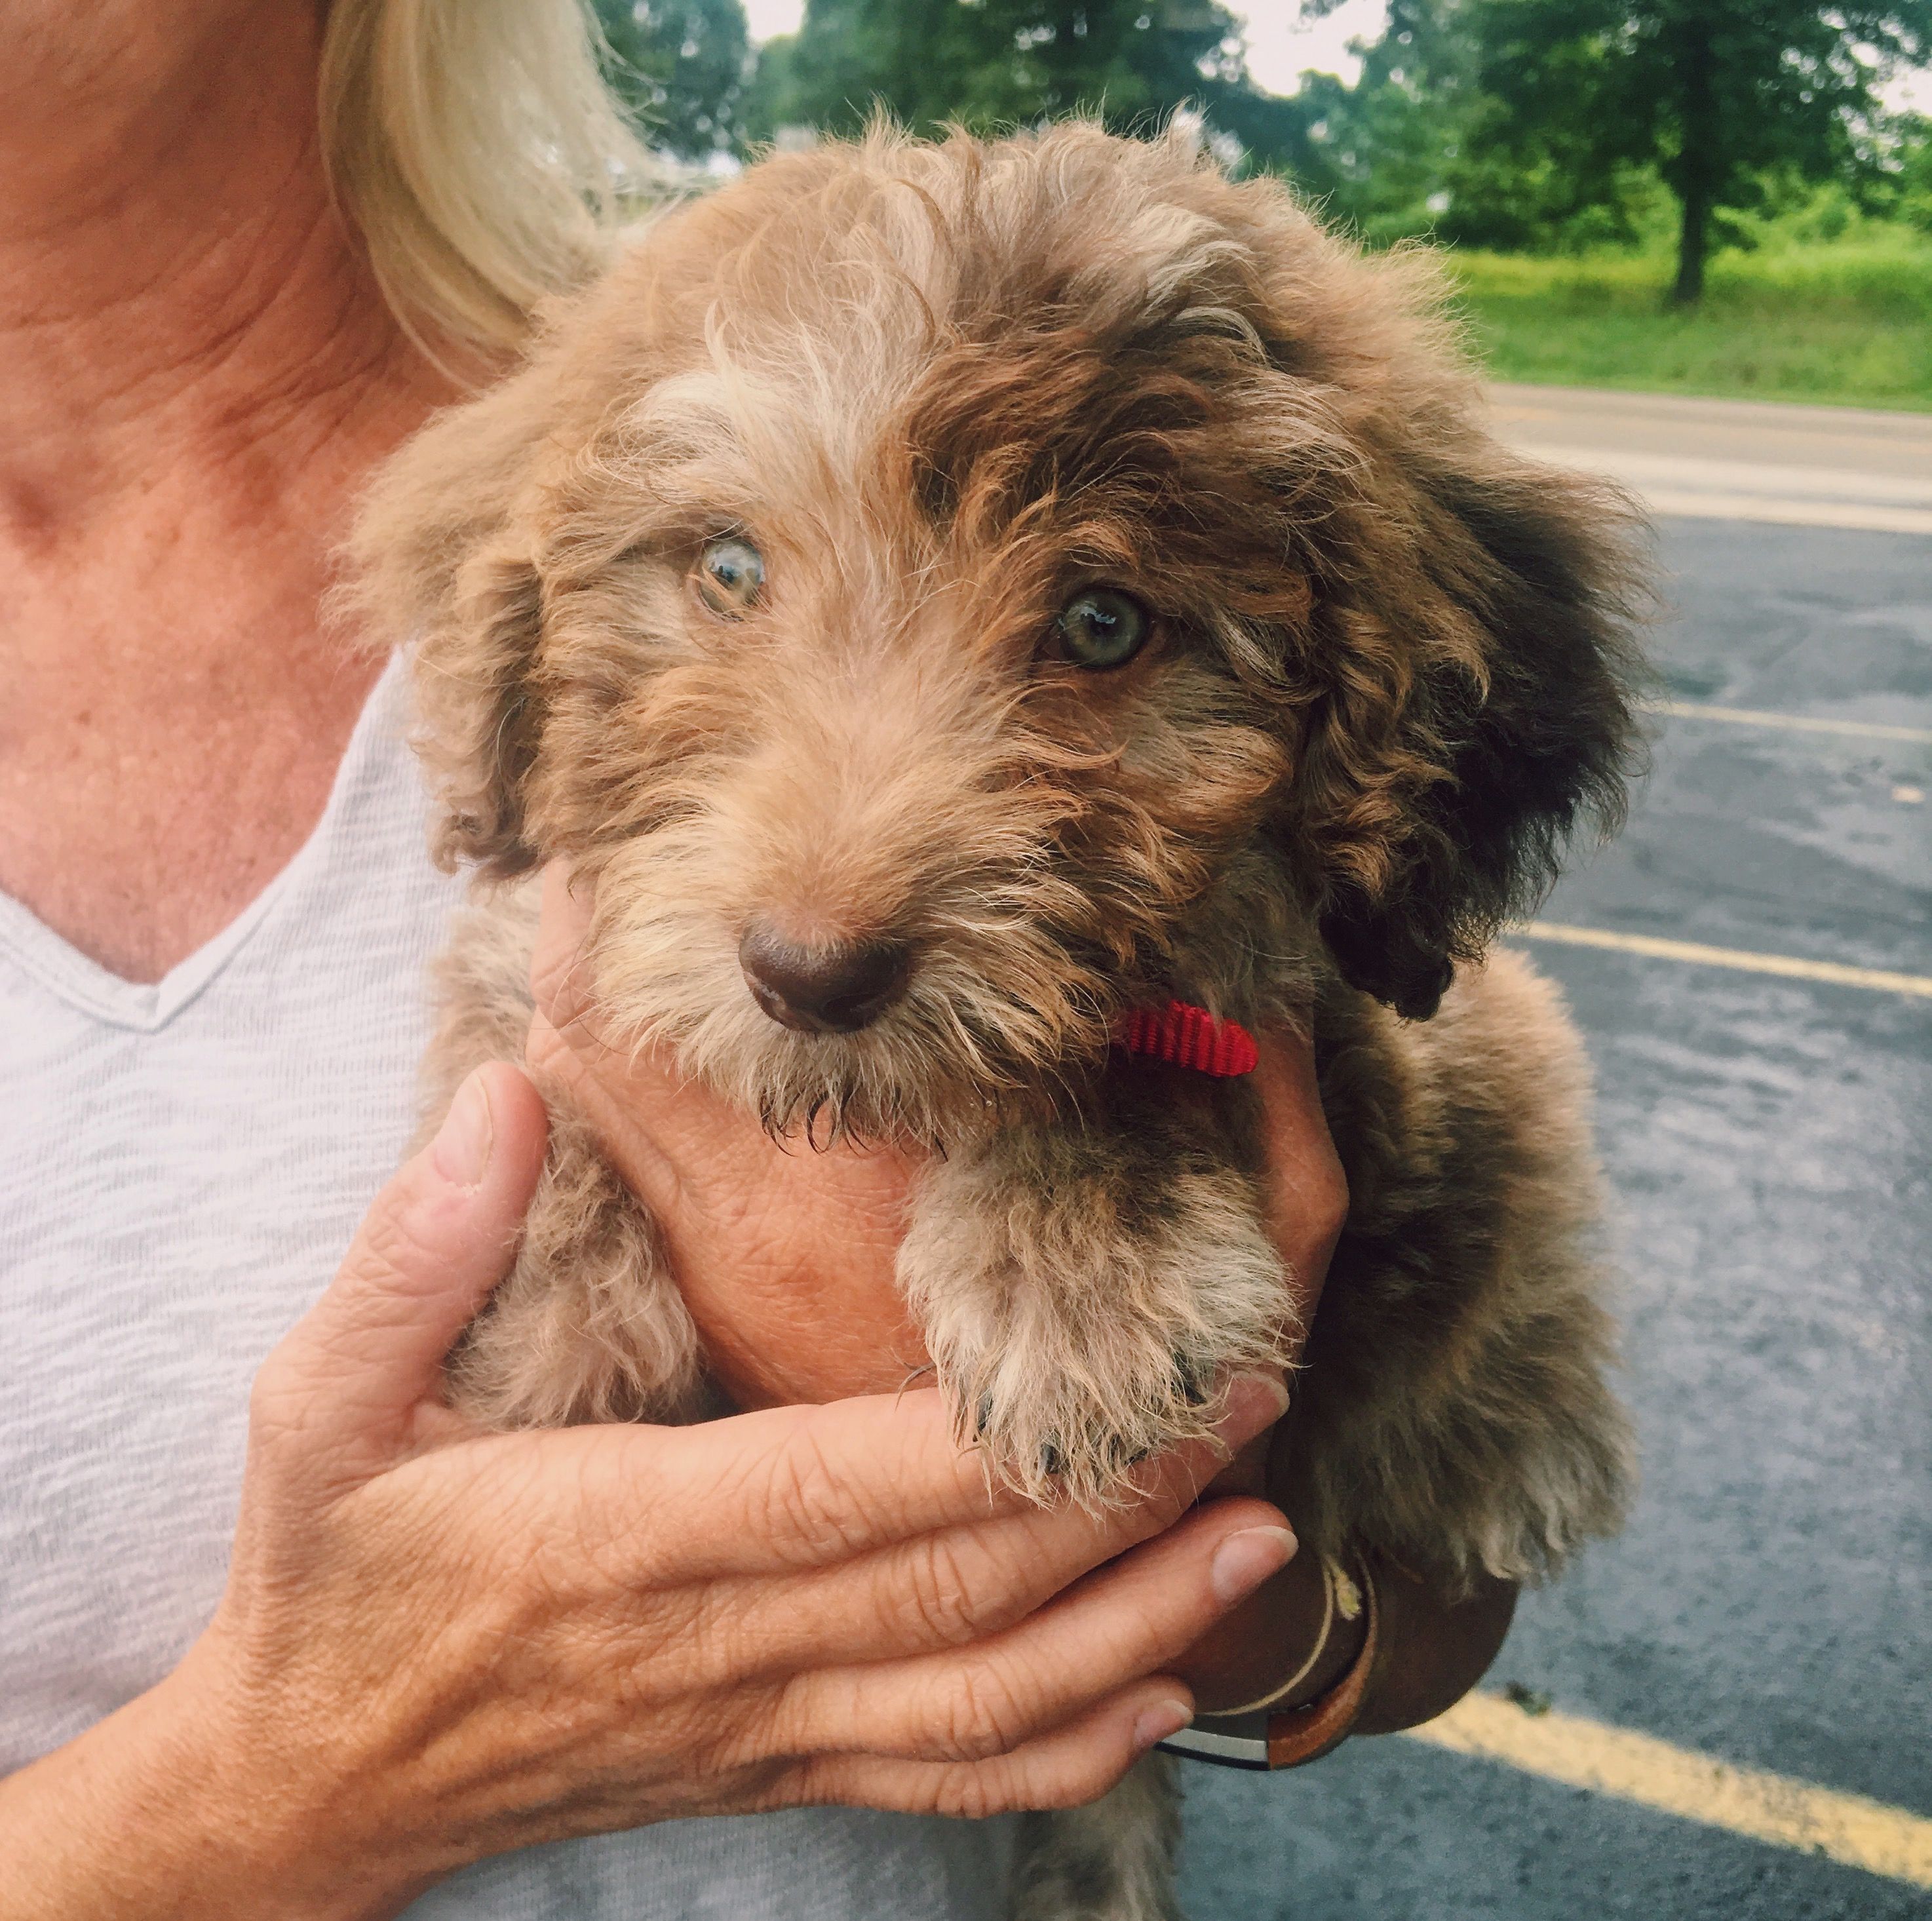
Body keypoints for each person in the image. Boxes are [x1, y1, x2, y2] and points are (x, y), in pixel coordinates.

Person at [0, 3, 1516, 1914]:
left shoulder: (739, 327)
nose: (823, 899)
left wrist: (1231, 1595)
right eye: (728, 577)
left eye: (1102, 622)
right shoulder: (575, 508)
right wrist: (275, 1780)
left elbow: (1455, 1578)